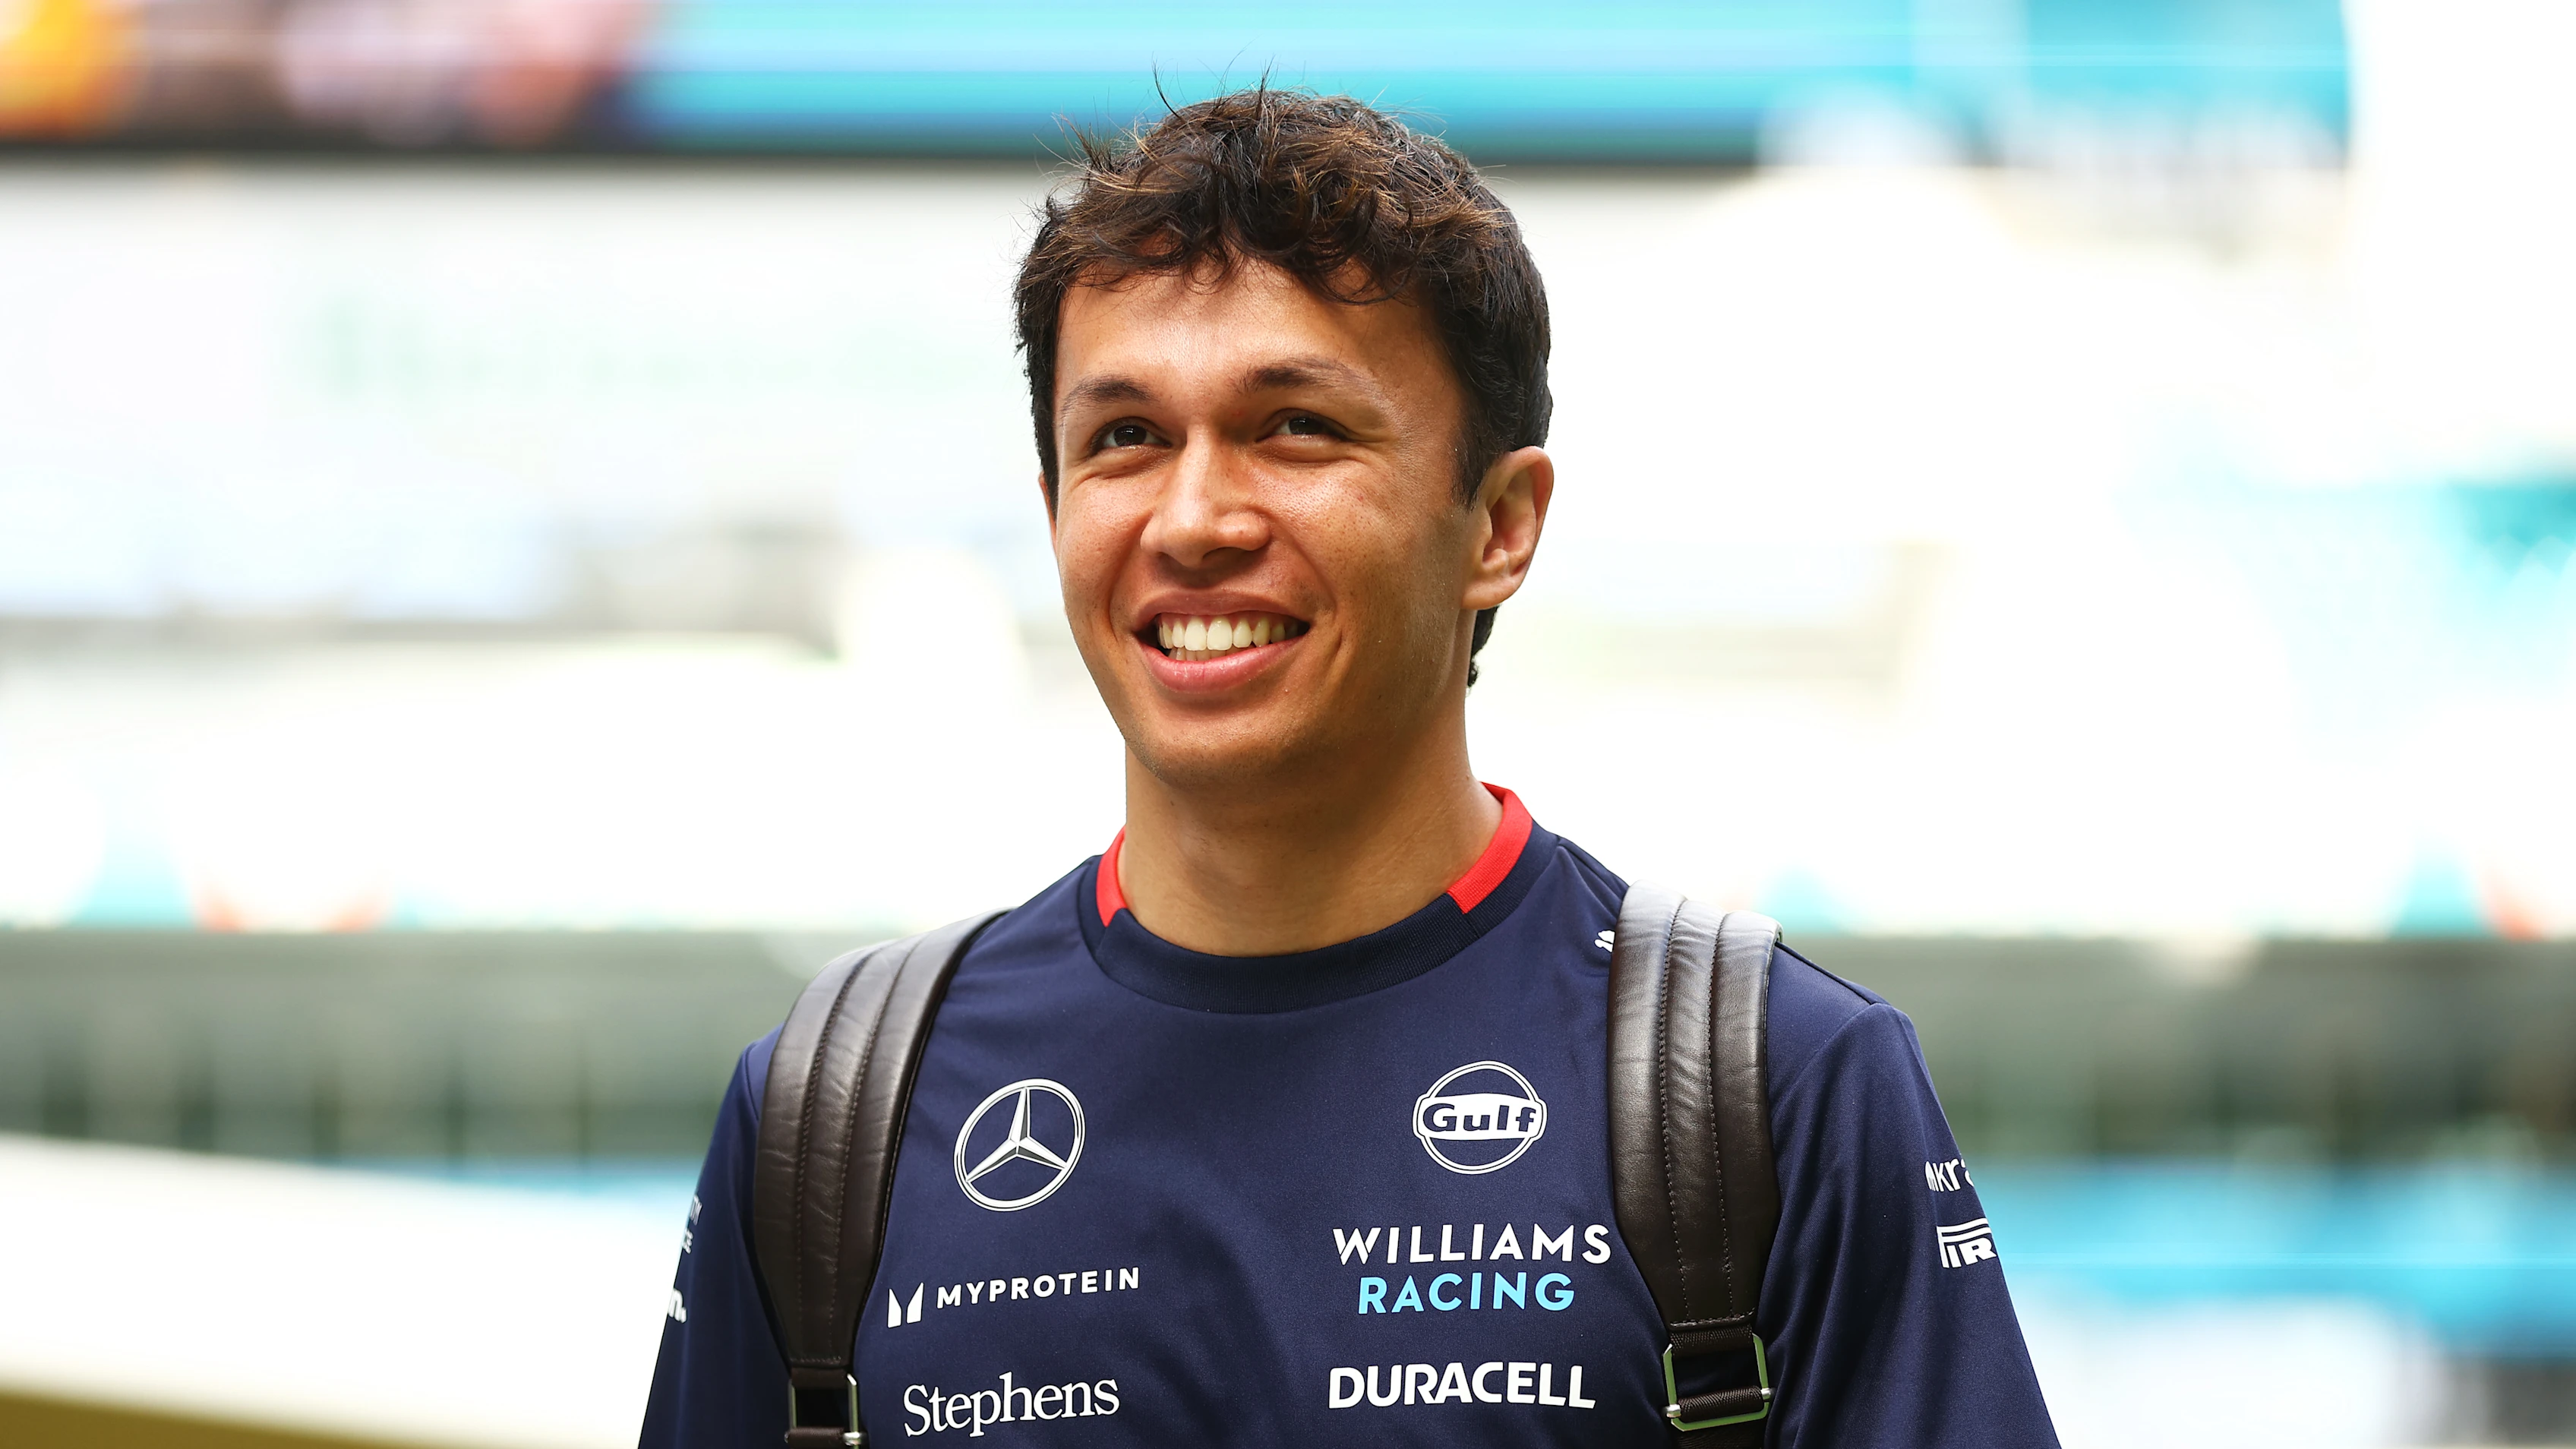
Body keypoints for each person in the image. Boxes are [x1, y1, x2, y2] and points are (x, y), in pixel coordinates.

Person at [641, 87, 2058, 1448]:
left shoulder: (1775, 1091)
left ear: (1499, 523)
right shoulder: (837, 1119)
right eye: (1125, 438)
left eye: (1295, 427)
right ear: (1057, 507)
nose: (1192, 518)